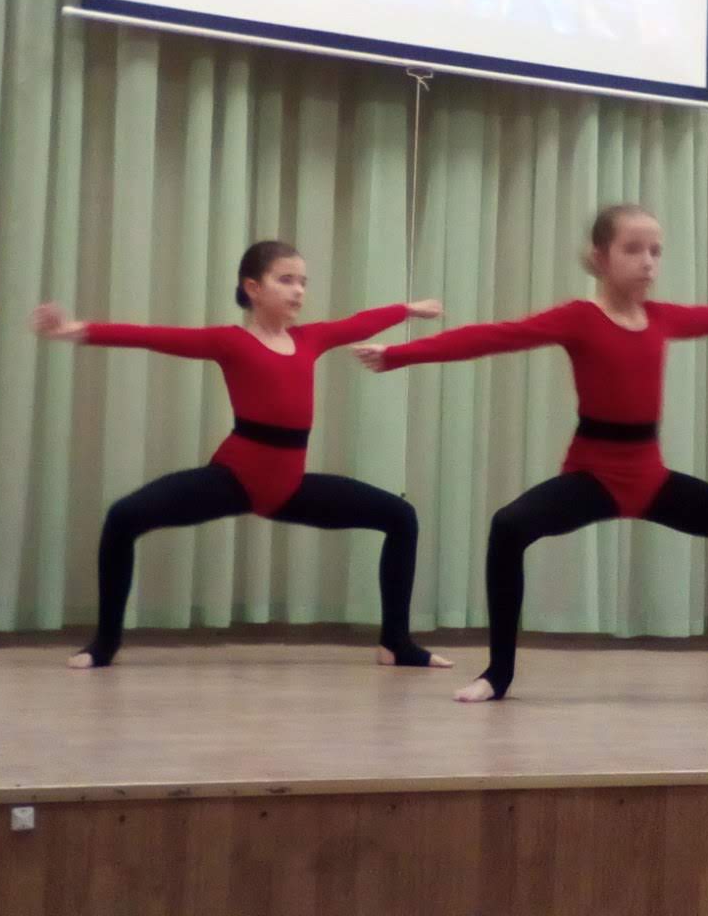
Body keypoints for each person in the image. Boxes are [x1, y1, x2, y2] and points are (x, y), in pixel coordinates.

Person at [354, 205, 708, 702]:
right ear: (600, 257)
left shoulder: (661, 318)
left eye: (655, 250)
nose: (648, 261)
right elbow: (490, 338)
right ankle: (498, 674)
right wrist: (398, 355)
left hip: (650, 478)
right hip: (594, 477)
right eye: (633, 249)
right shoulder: (579, 319)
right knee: (508, 528)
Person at [33, 239, 452, 671]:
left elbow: (358, 324)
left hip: (289, 487)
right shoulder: (230, 342)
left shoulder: (310, 338)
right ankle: (104, 643)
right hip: (234, 479)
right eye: (285, 280)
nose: (298, 290)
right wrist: (73, 330)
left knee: (401, 517)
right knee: (123, 517)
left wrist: (408, 309)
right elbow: (151, 337)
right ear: (253, 287)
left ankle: (396, 643)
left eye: (303, 282)